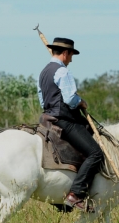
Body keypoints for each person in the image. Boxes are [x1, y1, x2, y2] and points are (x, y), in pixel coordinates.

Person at [37, 37, 104, 212]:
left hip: (47, 119)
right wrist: (81, 102)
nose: (72, 59)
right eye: (71, 55)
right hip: (63, 120)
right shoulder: (63, 72)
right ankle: (75, 194)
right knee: (96, 153)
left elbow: (41, 99)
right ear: (65, 53)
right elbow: (70, 99)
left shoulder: (44, 72)